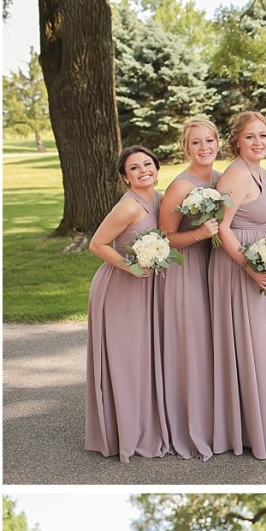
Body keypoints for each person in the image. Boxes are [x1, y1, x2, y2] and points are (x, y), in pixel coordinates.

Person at [209, 111, 266, 460]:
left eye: (264, 135)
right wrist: (249, 267)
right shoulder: (235, 176)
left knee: (262, 345)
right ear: (237, 141)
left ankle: (263, 424)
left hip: (260, 259)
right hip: (236, 265)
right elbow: (222, 228)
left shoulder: (262, 171)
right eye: (251, 136)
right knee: (246, 345)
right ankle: (245, 429)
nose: (259, 142)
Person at [85, 145, 169, 463]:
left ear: (157, 169)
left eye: (148, 164)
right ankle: (123, 434)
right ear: (125, 177)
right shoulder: (130, 207)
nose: (143, 170)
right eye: (134, 168)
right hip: (119, 287)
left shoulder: (158, 200)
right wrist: (130, 267)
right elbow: (97, 243)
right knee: (125, 361)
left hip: (144, 289)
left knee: (144, 359)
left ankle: (145, 425)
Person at [158, 118, 221, 460]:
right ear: (186, 147)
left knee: (211, 344)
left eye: (209, 141)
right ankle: (189, 426)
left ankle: (214, 421)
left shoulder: (220, 179)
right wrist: (199, 234)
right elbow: (164, 238)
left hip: (214, 268)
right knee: (192, 347)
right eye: (196, 143)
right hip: (185, 269)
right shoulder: (180, 187)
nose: (204, 148)